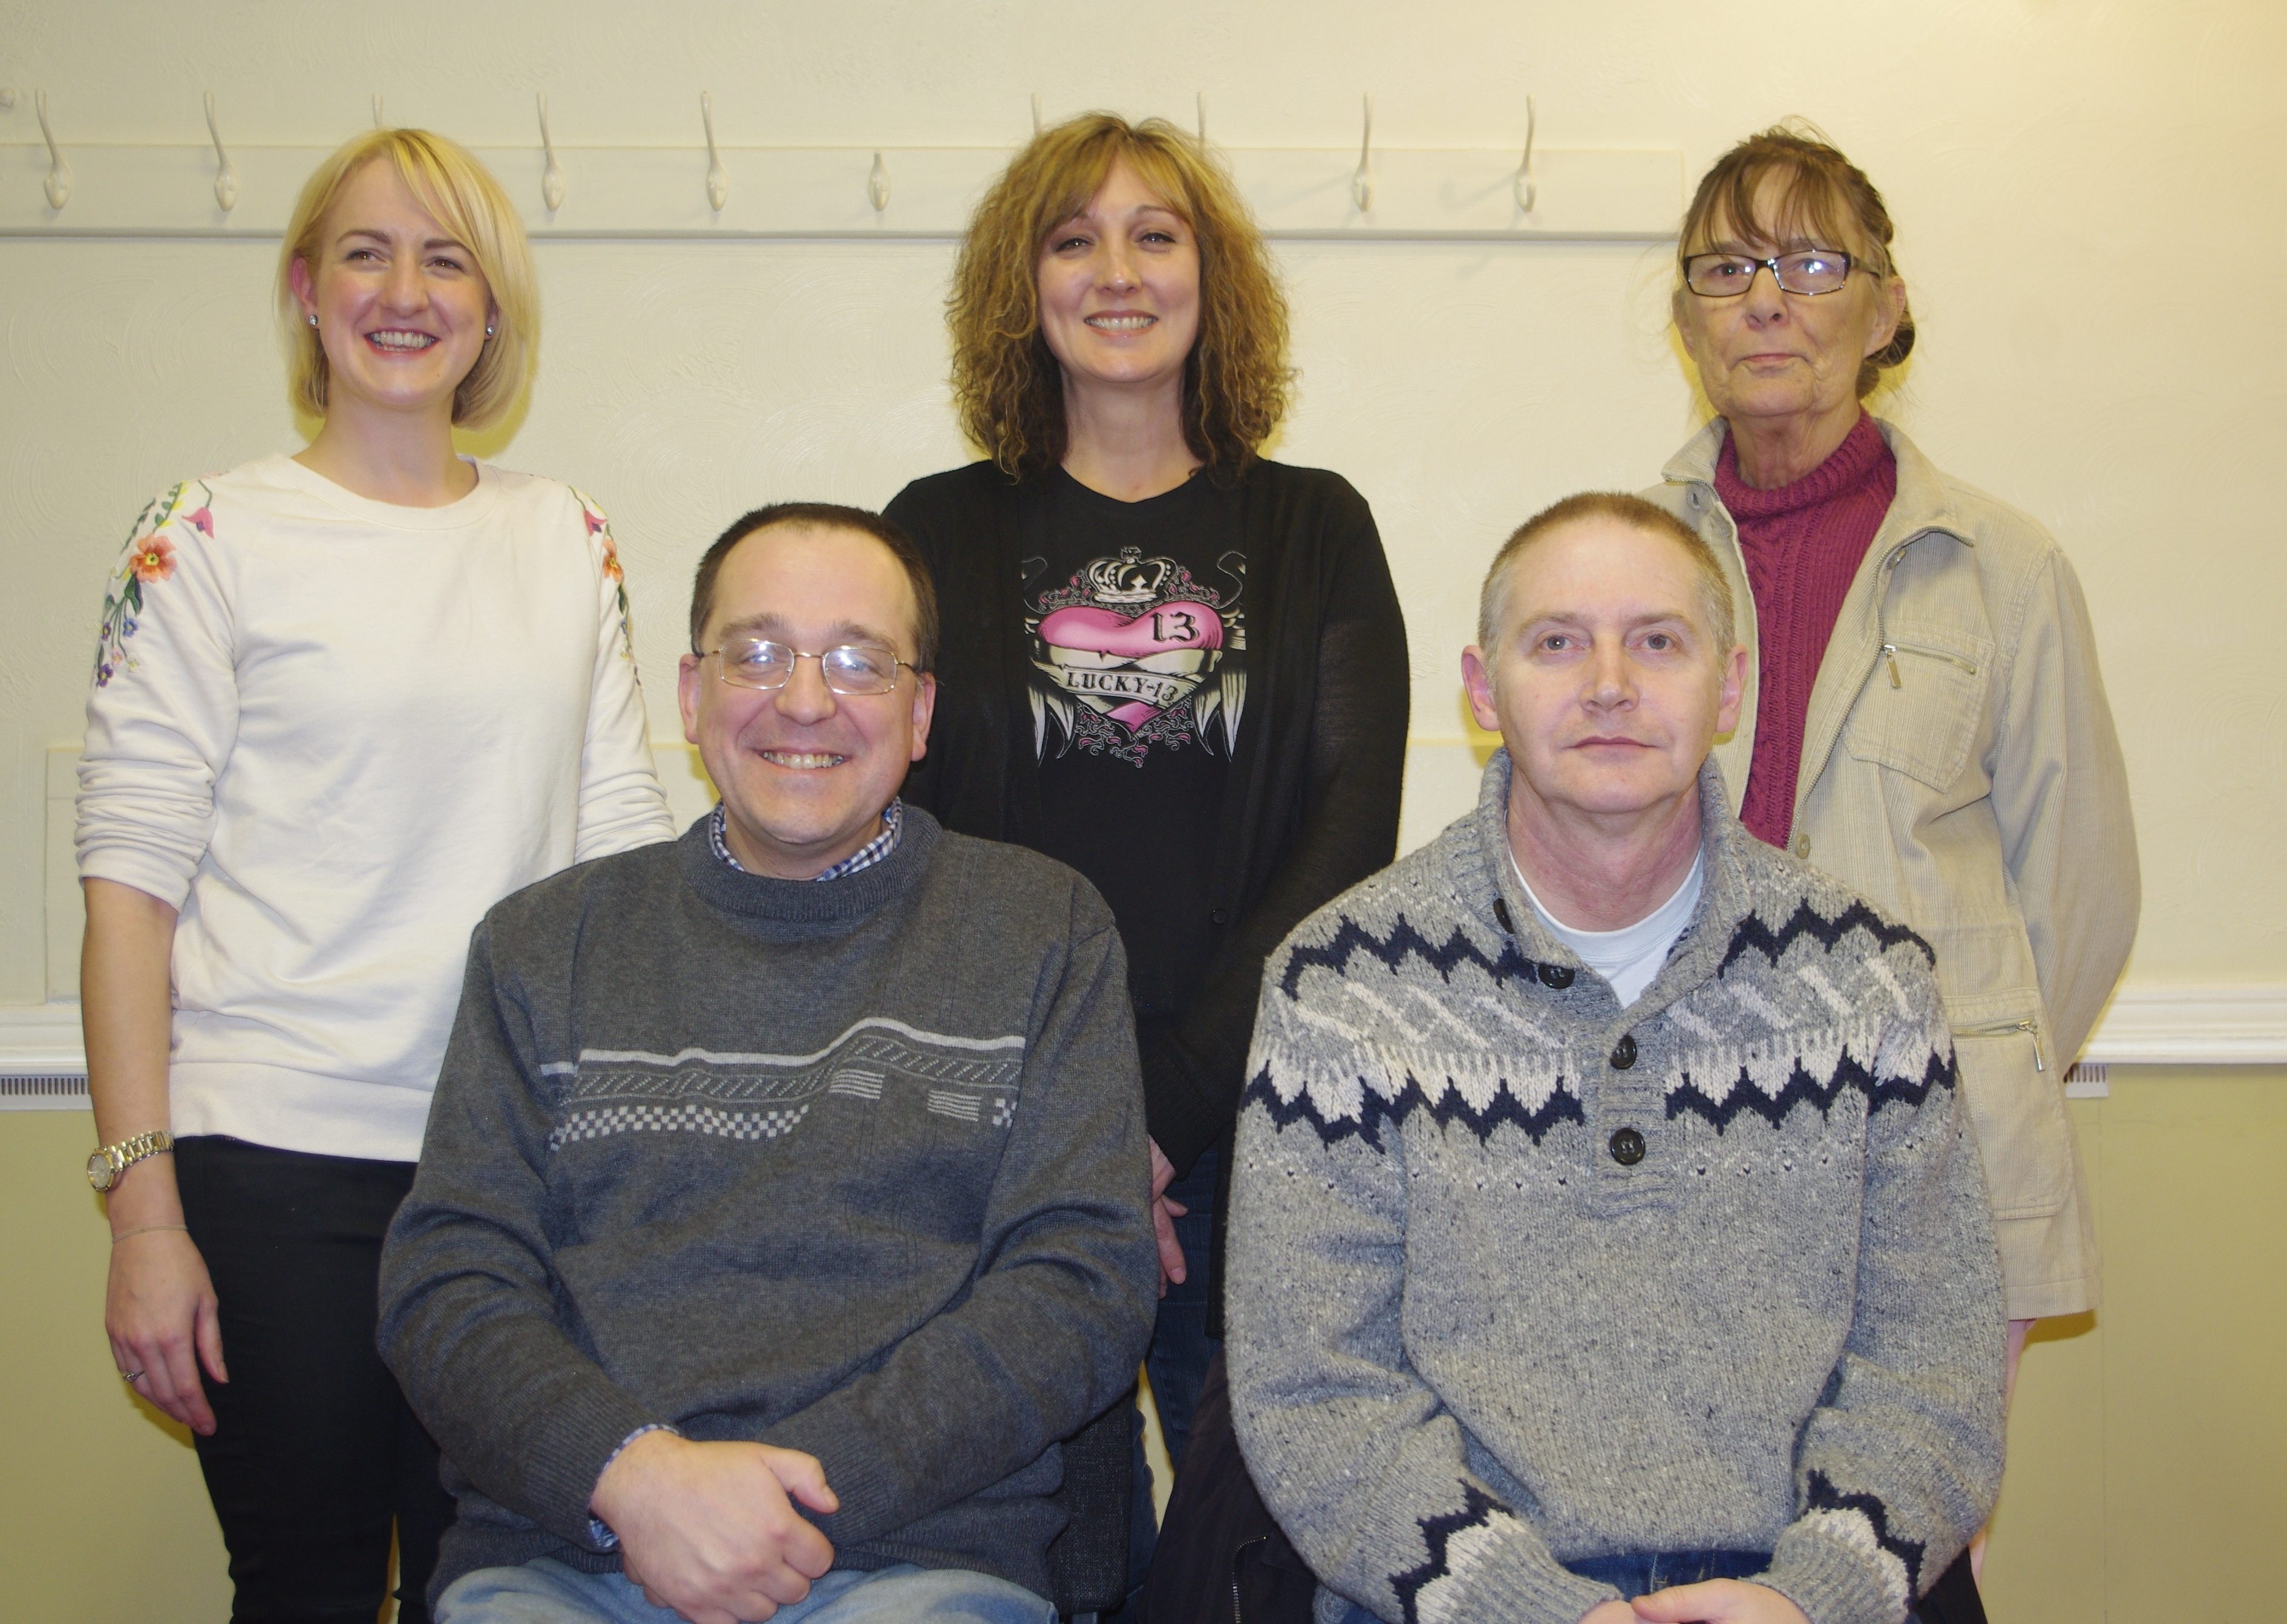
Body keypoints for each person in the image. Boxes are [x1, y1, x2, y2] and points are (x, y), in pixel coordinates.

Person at [76, 128, 673, 1622]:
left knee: (507, 1584)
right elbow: (128, 896)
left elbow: (619, 867)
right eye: (364, 251)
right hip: (272, 1165)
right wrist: (145, 1220)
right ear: (303, 290)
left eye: (446, 256)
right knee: (312, 1585)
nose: (404, 290)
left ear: (491, 309)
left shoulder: (565, 536)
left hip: (514, 1173)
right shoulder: (205, 536)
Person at [1226, 494, 2007, 1624]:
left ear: (1728, 688)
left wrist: (1808, 1600)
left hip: (1792, 1592)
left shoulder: (1869, 978)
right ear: (1483, 689)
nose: (1608, 684)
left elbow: (1934, 1366)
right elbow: (1316, 1393)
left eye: (1657, 641)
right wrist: (1532, 1610)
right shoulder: (1342, 987)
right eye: (1556, 643)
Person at [376, 505, 1160, 1624]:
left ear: (922, 710)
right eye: (756, 654)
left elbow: (1081, 1287)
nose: (805, 700)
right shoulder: (542, 947)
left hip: (915, 1561)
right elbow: (449, 1283)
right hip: (573, 1560)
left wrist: (777, 1498)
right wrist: (639, 1482)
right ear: (690, 696)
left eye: (858, 661)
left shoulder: (1043, 930)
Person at [883, 112, 1409, 1488]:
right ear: (1026, 285)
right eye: (1075, 240)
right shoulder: (934, 531)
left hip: (1257, 1129)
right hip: (1001, 1134)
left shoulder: (1315, 528)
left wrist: (1157, 1118)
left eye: (1154, 235)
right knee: (1048, 1542)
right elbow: (905, 842)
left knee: (1259, 1541)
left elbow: (1352, 833)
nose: (1116, 270)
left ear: (1208, 277)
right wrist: (1081, 1124)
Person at [1646, 127, 2138, 1390]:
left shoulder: (2002, 568)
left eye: (1811, 263)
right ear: (1688, 318)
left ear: (1886, 310)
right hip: (1680, 1148)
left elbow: (2078, 898)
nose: (1764, 299)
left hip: (1935, 1171)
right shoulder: (1631, 564)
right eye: (1726, 267)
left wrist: (1954, 1064)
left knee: (1907, 1561)